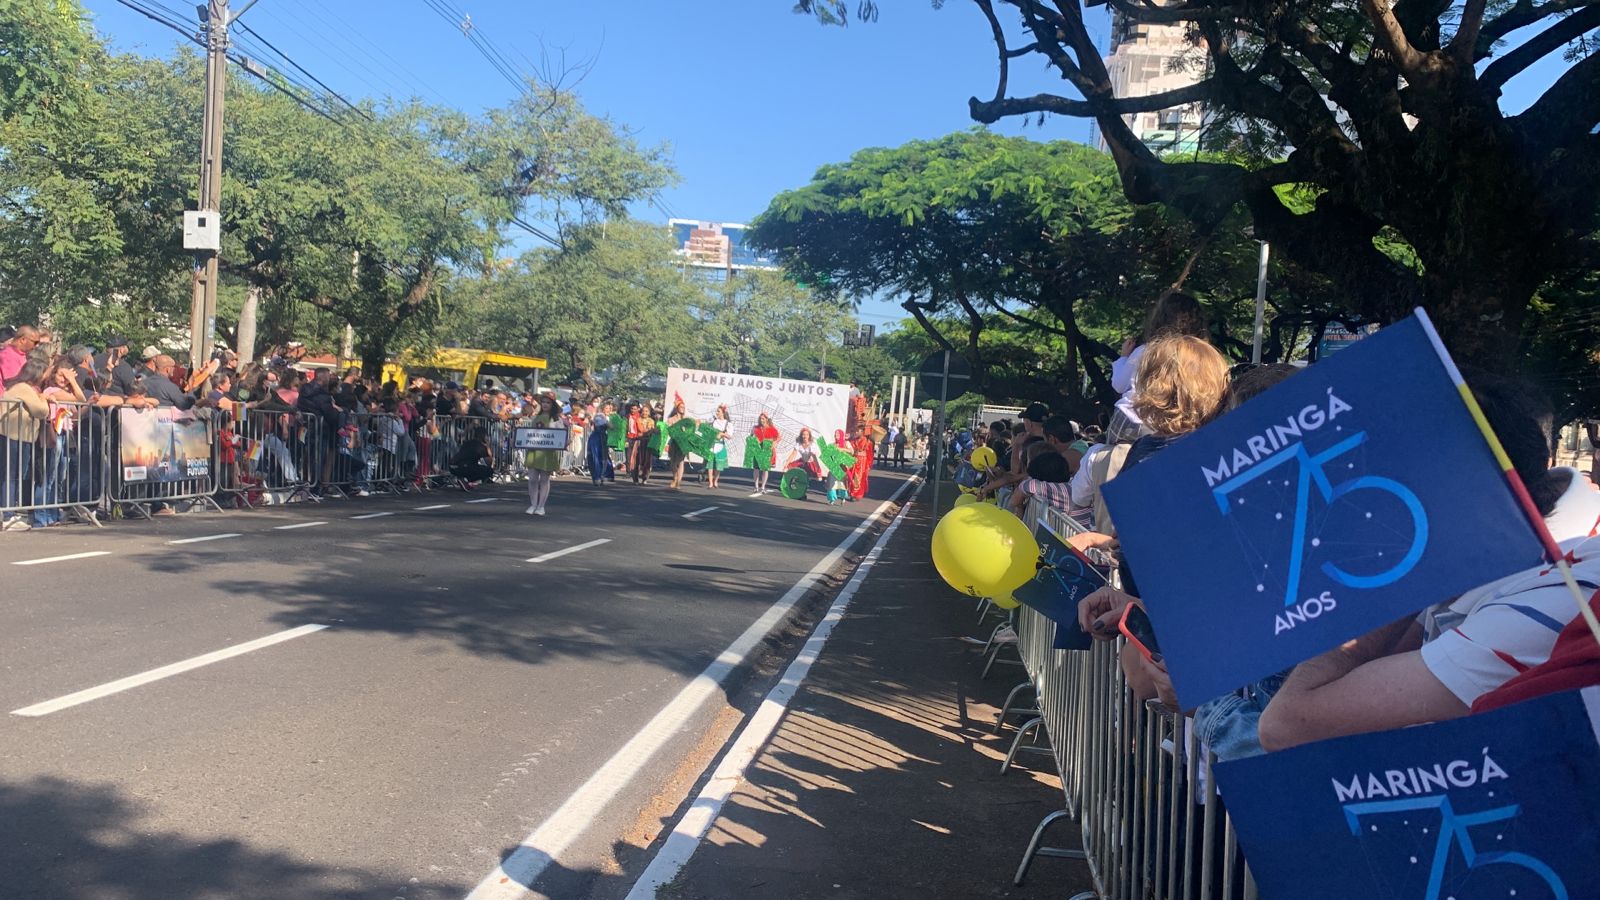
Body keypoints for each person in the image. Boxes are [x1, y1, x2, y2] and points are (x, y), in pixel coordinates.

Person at [1256, 371, 1600, 752]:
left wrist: (1402, 571)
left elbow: (1287, 725)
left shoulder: (1548, 600)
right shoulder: (1486, 555)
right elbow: (1374, 663)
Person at [1107, 291, 1209, 442]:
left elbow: (1119, 384)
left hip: (1128, 417)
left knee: (1112, 462)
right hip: (1166, 427)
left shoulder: (1146, 350)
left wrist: (1123, 357)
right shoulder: (1199, 359)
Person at [1, 356, 50, 531]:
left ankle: (9, 512)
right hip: (14, 436)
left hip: (19, 437)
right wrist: (44, 398)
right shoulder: (23, 388)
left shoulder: (23, 387)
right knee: (12, 476)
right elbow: (41, 410)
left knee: (12, 476)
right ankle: (7, 516)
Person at [524, 394, 565, 515]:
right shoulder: (536, 417)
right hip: (534, 450)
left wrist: (564, 441)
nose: (545, 404)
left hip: (547, 452)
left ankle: (541, 506)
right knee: (532, 479)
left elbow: (561, 435)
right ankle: (533, 504)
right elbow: (528, 434)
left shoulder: (556, 419)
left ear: (552, 405)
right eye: (544, 402)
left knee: (544, 479)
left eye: (548, 402)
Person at [749, 413, 779, 494]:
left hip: (766, 450)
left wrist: (774, 443)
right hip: (757, 450)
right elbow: (751, 436)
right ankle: (756, 486)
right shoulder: (756, 428)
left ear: (766, 419)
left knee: (765, 469)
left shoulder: (771, 429)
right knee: (756, 468)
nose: (761, 420)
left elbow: (778, 437)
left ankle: (763, 487)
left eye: (763, 418)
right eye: (760, 418)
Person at [589, 401, 617, 485]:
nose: (609, 410)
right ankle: (597, 476)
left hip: (603, 437)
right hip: (597, 438)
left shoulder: (606, 417)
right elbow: (610, 426)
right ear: (602, 408)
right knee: (596, 457)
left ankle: (603, 476)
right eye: (607, 408)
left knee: (604, 457)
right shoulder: (599, 416)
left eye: (610, 408)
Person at [666, 400, 692, 490]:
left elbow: (690, 431)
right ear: (677, 408)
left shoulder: (686, 420)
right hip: (674, 442)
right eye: (681, 407)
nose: (683, 409)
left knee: (681, 462)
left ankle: (678, 482)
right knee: (673, 463)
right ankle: (675, 477)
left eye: (684, 407)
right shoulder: (671, 419)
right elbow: (669, 430)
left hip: (683, 443)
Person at [706, 403, 732, 490]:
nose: (717, 412)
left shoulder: (727, 423)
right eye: (717, 411)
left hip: (720, 445)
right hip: (712, 444)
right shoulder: (713, 421)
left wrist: (722, 434)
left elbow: (730, 436)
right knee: (710, 464)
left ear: (723, 413)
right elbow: (706, 428)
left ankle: (715, 481)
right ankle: (710, 483)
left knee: (719, 465)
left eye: (718, 411)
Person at [847, 423, 875, 501]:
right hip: (853, 460)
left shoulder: (868, 442)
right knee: (851, 476)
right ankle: (852, 492)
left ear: (862, 432)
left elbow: (870, 455)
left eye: (857, 431)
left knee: (859, 477)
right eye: (855, 431)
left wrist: (869, 465)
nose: (856, 433)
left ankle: (857, 494)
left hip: (862, 461)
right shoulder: (853, 441)